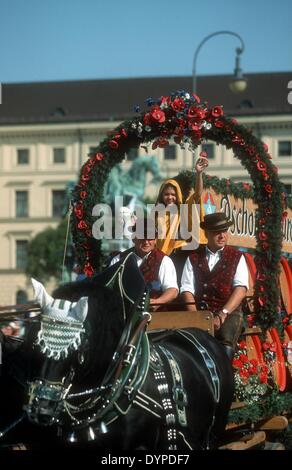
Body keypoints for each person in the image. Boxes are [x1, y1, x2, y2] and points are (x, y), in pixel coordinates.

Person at [180, 212, 249, 359]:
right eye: (217, 232)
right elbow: (186, 289)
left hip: (229, 311)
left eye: (224, 231)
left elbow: (241, 289)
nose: (222, 235)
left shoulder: (237, 257)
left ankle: (225, 377)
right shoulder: (193, 258)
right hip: (201, 310)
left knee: (225, 337)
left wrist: (223, 314)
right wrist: (195, 317)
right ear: (207, 233)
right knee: (189, 341)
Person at [154, 155, 208, 284]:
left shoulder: (184, 208)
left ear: (177, 194)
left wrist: (199, 174)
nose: (170, 197)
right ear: (162, 196)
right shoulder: (157, 214)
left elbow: (197, 194)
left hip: (183, 255)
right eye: (166, 194)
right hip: (164, 258)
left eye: (173, 194)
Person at [109, 217, 178, 311]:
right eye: (142, 237)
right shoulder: (118, 259)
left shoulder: (164, 260)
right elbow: (108, 289)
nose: (146, 242)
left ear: (155, 240)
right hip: (121, 315)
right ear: (134, 239)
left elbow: (172, 290)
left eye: (150, 237)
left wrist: (158, 301)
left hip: (153, 317)